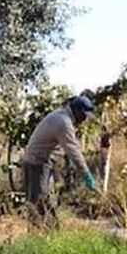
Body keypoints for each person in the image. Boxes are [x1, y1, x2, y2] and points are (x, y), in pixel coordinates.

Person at [21, 95, 97, 224]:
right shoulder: (64, 122)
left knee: (45, 202)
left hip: (40, 161)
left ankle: (50, 235)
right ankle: (40, 239)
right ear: (77, 111)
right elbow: (74, 151)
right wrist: (87, 175)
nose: (84, 119)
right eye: (84, 115)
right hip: (37, 163)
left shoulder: (61, 115)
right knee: (40, 205)